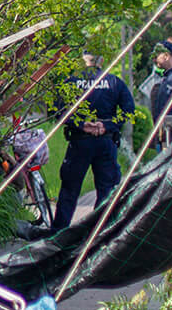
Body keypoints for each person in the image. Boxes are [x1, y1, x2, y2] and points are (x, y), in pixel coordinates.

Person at [52, 52, 135, 231]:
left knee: (69, 190)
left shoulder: (71, 82)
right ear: (102, 59)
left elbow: (58, 111)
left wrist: (81, 124)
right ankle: (100, 232)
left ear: (83, 60)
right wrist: (107, 125)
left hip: (79, 142)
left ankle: (57, 235)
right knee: (106, 189)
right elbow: (129, 110)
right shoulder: (114, 82)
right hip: (105, 142)